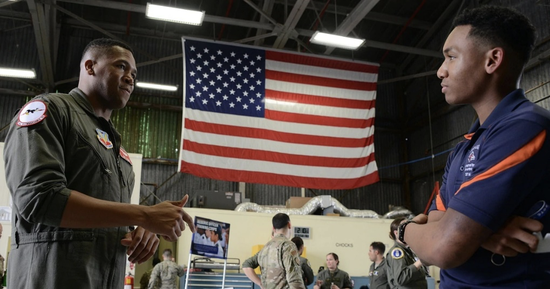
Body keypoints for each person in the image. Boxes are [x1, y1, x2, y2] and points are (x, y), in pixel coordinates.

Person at [3, 38, 195, 289]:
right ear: (90, 67)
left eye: (134, 73)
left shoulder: (120, 154)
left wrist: (137, 230)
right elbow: (38, 198)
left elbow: (103, 217)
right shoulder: (51, 110)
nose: (130, 78)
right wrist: (143, 213)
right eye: (121, 67)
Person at [399, 5, 550, 288]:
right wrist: (476, 233)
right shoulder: (465, 147)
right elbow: (437, 231)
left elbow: (444, 248)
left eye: (451, 57)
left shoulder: (526, 126)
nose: (440, 71)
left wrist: (405, 229)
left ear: (492, 60)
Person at [242, 213, 305, 289]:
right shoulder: (288, 246)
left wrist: (260, 284)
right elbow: (295, 282)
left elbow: (246, 265)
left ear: (273, 228)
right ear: (289, 225)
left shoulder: (265, 248)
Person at [385, 218, 427, 289]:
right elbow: (401, 278)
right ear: (396, 233)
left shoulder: (408, 251)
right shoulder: (397, 252)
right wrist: (420, 262)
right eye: (406, 229)